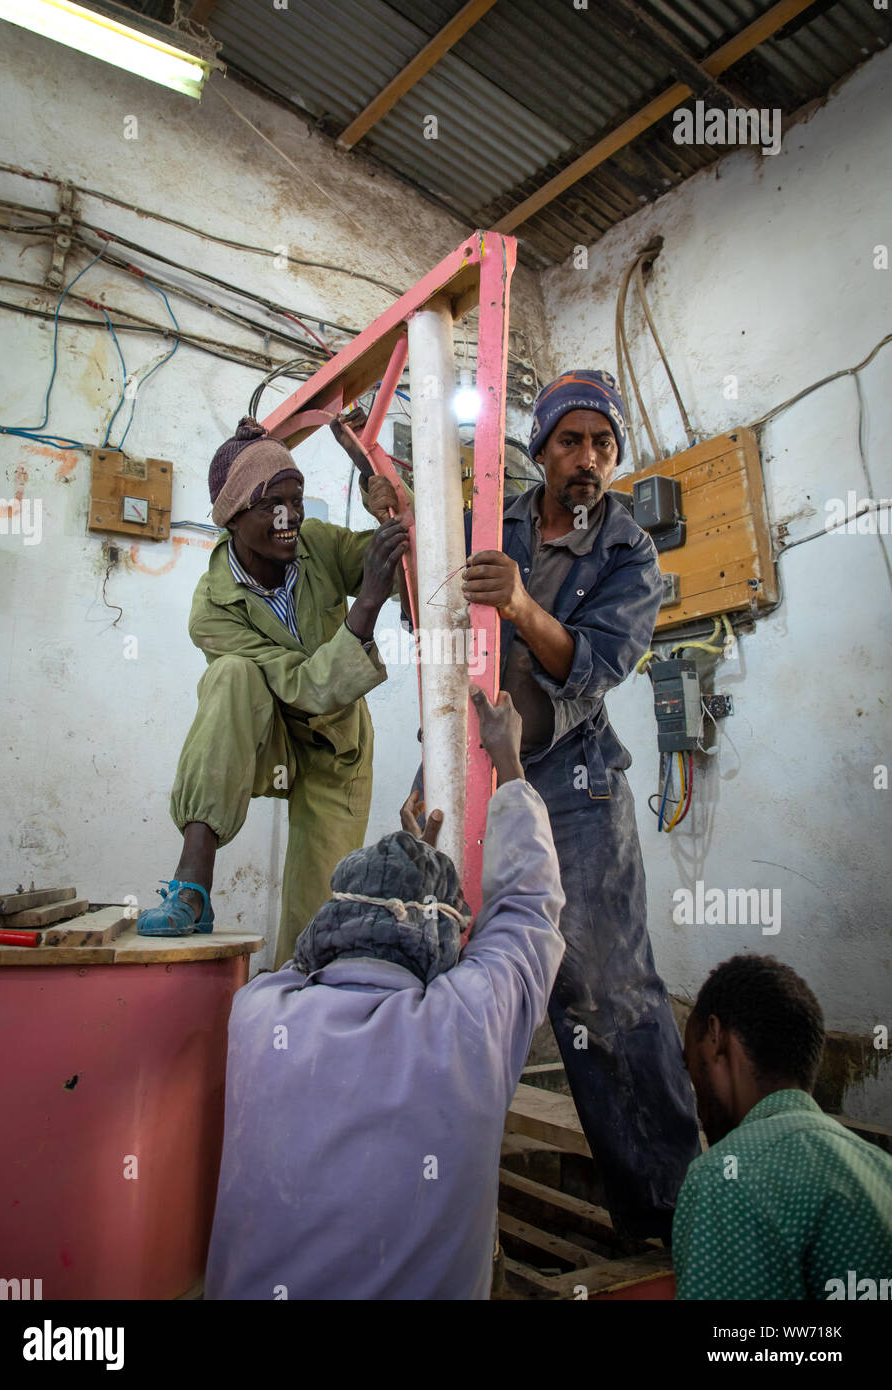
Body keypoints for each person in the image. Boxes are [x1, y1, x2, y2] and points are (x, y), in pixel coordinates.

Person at [427, 369, 700, 1241]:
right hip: (474, 763)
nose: (587, 459)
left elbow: (595, 665)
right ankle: (432, 1199)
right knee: (441, 959)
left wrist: (517, 601)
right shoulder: (493, 520)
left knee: (607, 993)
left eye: (603, 444)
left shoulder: (629, 551)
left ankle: (662, 1212)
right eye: (570, 441)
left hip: (573, 783)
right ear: (539, 448)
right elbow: (440, 623)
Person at [204, 686, 565, 1301]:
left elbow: (313, 948)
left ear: (330, 922)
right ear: (449, 941)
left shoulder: (258, 1013)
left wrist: (417, 880)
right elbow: (529, 913)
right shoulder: (466, 1025)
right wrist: (509, 767)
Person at [137, 417, 409, 969]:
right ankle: (193, 883)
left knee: (318, 925)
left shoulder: (317, 544)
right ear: (233, 516)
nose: (291, 517)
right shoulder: (212, 608)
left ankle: (296, 1030)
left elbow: (405, 559)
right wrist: (366, 607)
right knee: (231, 676)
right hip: (267, 739)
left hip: (337, 750)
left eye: (297, 498)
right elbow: (305, 686)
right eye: (271, 505)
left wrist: (384, 486)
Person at [675, 953, 892, 1300]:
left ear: (715, 1037)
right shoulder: (882, 1170)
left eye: (691, 1064)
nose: (694, 1090)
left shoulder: (724, 1179)